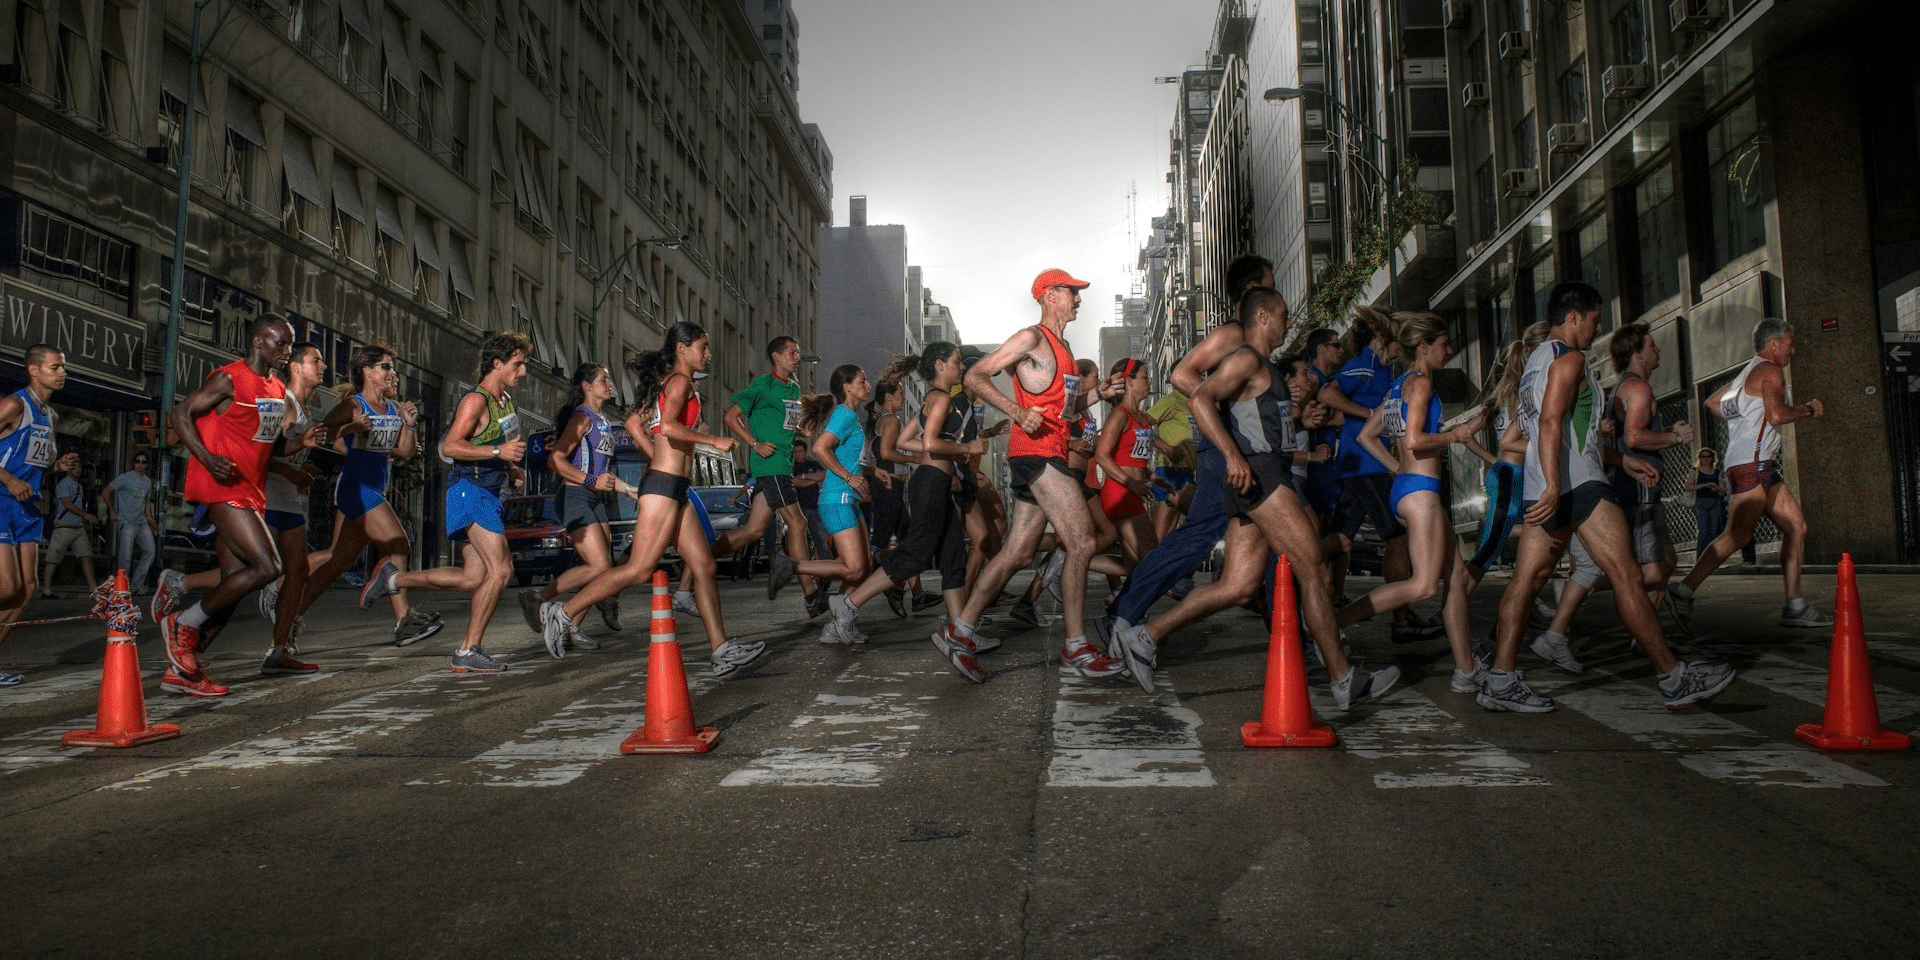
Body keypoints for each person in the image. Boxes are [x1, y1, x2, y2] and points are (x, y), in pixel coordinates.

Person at [1108, 287, 1399, 709]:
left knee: (1238, 585)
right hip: (1260, 477)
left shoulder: (1265, 368)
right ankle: (1343, 679)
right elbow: (1201, 396)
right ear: (1262, 316)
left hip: (1260, 478)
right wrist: (1231, 454)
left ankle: (1145, 636)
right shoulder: (1244, 357)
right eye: (1282, 314)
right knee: (1313, 568)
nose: (1288, 323)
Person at [1483, 281, 1736, 712]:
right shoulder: (1570, 357)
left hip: (1546, 486)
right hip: (1576, 485)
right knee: (1627, 577)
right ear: (1575, 316)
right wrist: (1557, 484)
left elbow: (1544, 431)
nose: (1597, 329)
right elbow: (1548, 423)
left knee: (1525, 584)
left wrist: (1619, 460)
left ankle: (1500, 680)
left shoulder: (1534, 364)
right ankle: (1674, 678)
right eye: (1596, 319)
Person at [539, 323, 766, 679]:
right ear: (682, 348)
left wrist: (697, 437)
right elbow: (668, 429)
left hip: (676, 487)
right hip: (662, 486)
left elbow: (658, 429)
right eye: (703, 347)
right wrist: (713, 441)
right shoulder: (678, 382)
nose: (708, 354)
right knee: (639, 570)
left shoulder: (678, 383)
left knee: (704, 566)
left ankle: (721, 650)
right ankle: (563, 613)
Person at [933, 269, 1126, 682]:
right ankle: (1075, 647)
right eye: (1072, 292)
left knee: (1018, 553)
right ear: (1049, 295)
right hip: (1037, 454)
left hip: (1045, 452)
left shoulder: (1065, 349)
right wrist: (1017, 411)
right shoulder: (1031, 337)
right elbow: (975, 375)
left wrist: (1099, 394)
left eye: (1077, 293)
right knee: (1083, 541)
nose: (1078, 299)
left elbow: (1066, 411)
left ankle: (960, 631)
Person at [1103, 254, 1277, 638]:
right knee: (1196, 538)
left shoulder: (1251, 338)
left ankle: (1289, 625)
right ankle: (1124, 613)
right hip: (1224, 450)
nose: (1276, 293)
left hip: (1241, 450)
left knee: (1274, 530)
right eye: (1270, 284)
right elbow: (1182, 373)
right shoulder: (1234, 333)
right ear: (1252, 290)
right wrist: (1215, 405)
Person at [359, 332, 530, 673]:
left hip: (489, 491)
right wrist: (498, 452)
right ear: (496, 364)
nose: (523, 371)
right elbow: (450, 447)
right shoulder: (475, 401)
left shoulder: (505, 401)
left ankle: (394, 579)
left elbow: (492, 443)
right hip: (470, 490)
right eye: (518, 364)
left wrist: (509, 467)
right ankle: (468, 650)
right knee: (502, 570)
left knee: (472, 578)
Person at [1340, 314, 1487, 689]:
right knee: (1423, 586)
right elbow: (1417, 441)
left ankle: (1466, 671)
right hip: (1420, 493)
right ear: (1424, 347)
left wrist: (1397, 471)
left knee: (1455, 577)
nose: (1450, 350)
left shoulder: (1398, 386)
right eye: (1444, 343)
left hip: (1411, 487)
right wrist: (1453, 435)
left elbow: (1366, 437)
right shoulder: (1419, 385)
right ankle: (1329, 623)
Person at [160, 316, 295, 698]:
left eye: (289, 345)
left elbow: (268, 443)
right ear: (257, 341)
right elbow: (181, 413)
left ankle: (184, 666)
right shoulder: (228, 378)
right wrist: (206, 457)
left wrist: (304, 445)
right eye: (280, 343)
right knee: (269, 567)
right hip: (222, 486)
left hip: (251, 491)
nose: (286, 351)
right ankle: (181, 624)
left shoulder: (277, 388)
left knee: (231, 586)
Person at [1669, 318, 1831, 629]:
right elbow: (1776, 415)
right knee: (1737, 535)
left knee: (1796, 526)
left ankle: (1795, 605)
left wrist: (1743, 421)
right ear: (1774, 345)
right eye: (1789, 343)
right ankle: (1682, 590)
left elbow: (1712, 402)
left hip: (1758, 462)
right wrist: (1809, 410)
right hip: (1750, 464)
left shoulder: (1747, 373)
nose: (1792, 350)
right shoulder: (1770, 370)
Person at [819, 344, 983, 648]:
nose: (961, 367)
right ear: (940, 365)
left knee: (953, 557)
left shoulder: (932, 400)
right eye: (957, 362)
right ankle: (849, 603)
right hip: (930, 483)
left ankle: (962, 633)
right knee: (915, 555)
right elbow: (931, 442)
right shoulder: (941, 399)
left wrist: (949, 457)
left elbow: (909, 441)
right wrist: (964, 449)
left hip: (935, 480)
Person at [294, 343, 441, 649]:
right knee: (399, 543)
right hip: (357, 490)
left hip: (377, 488)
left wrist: (410, 424)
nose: (391, 373)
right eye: (385, 367)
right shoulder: (354, 405)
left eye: (392, 368)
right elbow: (319, 434)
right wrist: (352, 426)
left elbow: (401, 451)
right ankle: (403, 621)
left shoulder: (393, 407)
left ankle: (290, 616)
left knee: (339, 562)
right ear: (367, 371)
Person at [1321, 306, 1433, 642]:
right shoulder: (1367, 365)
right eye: (1395, 339)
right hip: (1365, 466)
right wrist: (1370, 413)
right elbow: (1328, 393)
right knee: (1398, 539)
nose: (1400, 347)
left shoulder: (1381, 369)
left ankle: (1292, 562)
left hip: (1360, 467)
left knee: (1341, 541)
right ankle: (1400, 620)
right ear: (1381, 339)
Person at [517, 362, 632, 649]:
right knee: (599, 566)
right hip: (575, 497)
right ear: (586, 386)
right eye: (604, 379)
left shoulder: (603, 421)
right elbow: (555, 459)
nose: (610, 385)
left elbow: (602, 473)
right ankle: (540, 598)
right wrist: (592, 480)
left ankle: (571, 627)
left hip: (594, 498)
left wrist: (629, 489)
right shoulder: (582, 417)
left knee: (603, 570)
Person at [711, 336, 820, 613]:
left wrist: (805, 429)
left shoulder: (794, 389)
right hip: (770, 466)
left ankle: (703, 557)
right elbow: (730, 417)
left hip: (783, 465)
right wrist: (754, 444)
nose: (797, 357)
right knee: (798, 523)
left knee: (753, 530)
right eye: (792, 353)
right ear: (776, 356)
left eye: (797, 352)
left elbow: (791, 427)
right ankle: (811, 595)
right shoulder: (763, 384)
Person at [770, 364, 879, 602]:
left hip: (850, 498)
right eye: (862, 381)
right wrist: (850, 477)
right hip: (837, 497)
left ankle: (841, 619)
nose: (868, 385)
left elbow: (847, 458)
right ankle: (792, 566)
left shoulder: (850, 416)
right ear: (846, 387)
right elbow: (820, 447)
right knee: (854, 569)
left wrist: (873, 471)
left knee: (864, 567)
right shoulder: (844, 415)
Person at [254, 340, 331, 675]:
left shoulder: (304, 407)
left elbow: (291, 452)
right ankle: (182, 588)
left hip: (292, 503)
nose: (324, 367)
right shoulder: (284, 401)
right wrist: (297, 460)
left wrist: (306, 468)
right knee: (254, 571)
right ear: (295, 366)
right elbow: (263, 453)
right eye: (317, 360)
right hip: (268, 498)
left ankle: (278, 649)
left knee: (297, 573)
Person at [0, 344, 66, 682]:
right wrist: (9, 479)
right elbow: (11, 470)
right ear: (33, 370)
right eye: (55, 367)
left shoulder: (51, 416)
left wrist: (57, 465)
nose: (62, 373)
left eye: (63, 368)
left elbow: (31, 460)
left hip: (28, 507)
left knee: (27, 589)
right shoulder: (13, 404)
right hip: (0, 499)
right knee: (7, 587)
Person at [1091, 358, 1160, 571]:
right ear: (1129, 381)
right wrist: (1130, 483)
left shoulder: (1142, 418)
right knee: (1152, 556)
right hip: (1120, 493)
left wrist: (1156, 480)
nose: (1149, 383)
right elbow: (1101, 455)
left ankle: (1069, 561)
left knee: (1131, 566)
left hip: (1133, 492)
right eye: (1145, 378)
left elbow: (1135, 460)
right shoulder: (1120, 414)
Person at [40, 452, 99, 597]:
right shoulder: (64, 484)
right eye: (74, 467)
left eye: (79, 467)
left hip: (77, 526)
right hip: (64, 526)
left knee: (86, 556)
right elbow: (67, 504)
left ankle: (93, 589)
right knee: (53, 558)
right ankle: (46, 590)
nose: (77, 470)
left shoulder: (79, 485)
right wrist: (85, 515)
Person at [104, 450, 159, 595]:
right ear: (134, 463)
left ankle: (136, 584)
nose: (140, 464)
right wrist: (111, 511)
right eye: (137, 461)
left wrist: (150, 519)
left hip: (141, 523)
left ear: (147, 465)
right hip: (127, 522)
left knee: (150, 551)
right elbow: (106, 491)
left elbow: (146, 502)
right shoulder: (125, 478)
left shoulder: (147, 482)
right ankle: (121, 587)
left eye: (143, 462)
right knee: (125, 558)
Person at [1689, 449, 1752, 564]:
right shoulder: (1695, 471)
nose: (1706, 459)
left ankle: (1712, 559)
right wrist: (1706, 485)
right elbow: (1688, 487)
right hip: (1701, 502)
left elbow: (1723, 490)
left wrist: (1716, 488)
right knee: (1703, 530)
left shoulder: (1717, 472)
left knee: (1714, 531)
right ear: (1700, 458)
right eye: (1703, 457)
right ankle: (1701, 559)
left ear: (1713, 458)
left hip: (1715, 502)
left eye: (1708, 457)